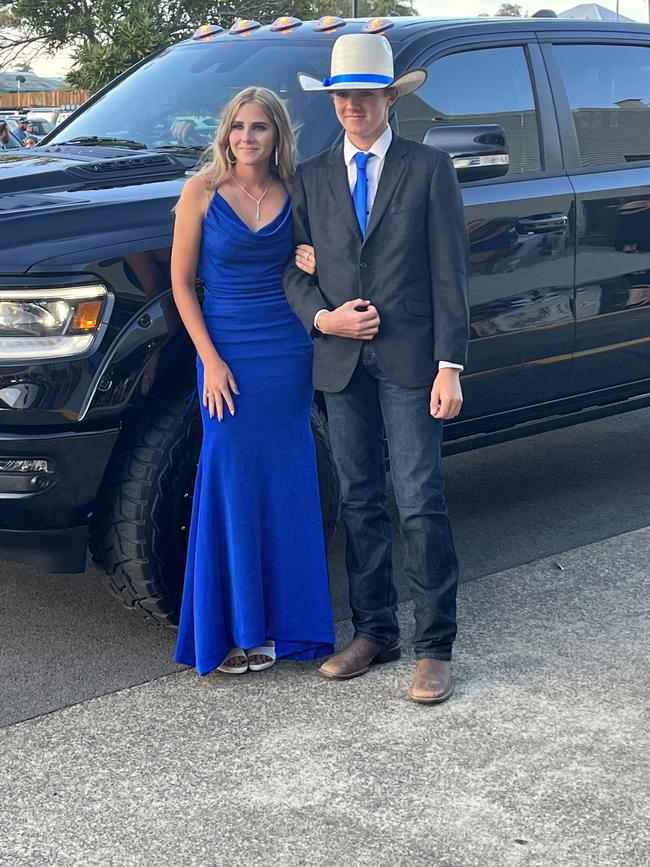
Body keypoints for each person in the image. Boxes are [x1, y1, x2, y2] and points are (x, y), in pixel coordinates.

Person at [285, 34, 470, 704]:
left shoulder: (428, 169)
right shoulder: (310, 176)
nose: (353, 105)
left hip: (413, 361)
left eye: (365, 93)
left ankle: (434, 646)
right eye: (342, 96)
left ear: (391, 97)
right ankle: (373, 630)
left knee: (420, 500)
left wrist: (450, 365)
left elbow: (450, 274)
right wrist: (321, 318)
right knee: (360, 501)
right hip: (340, 362)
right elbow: (292, 269)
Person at [172, 86, 335, 676]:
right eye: (238, 126)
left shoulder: (297, 192)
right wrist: (210, 360)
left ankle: (281, 628)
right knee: (230, 476)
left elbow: (321, 257)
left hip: (286, 349)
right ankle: (233, 629)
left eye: (259, 127)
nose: (246, 137)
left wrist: (310, 257)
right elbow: (183, 286)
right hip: (226, 352)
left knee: (286, 483)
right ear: (225, 133)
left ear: (278, 136)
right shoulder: (202, 192)